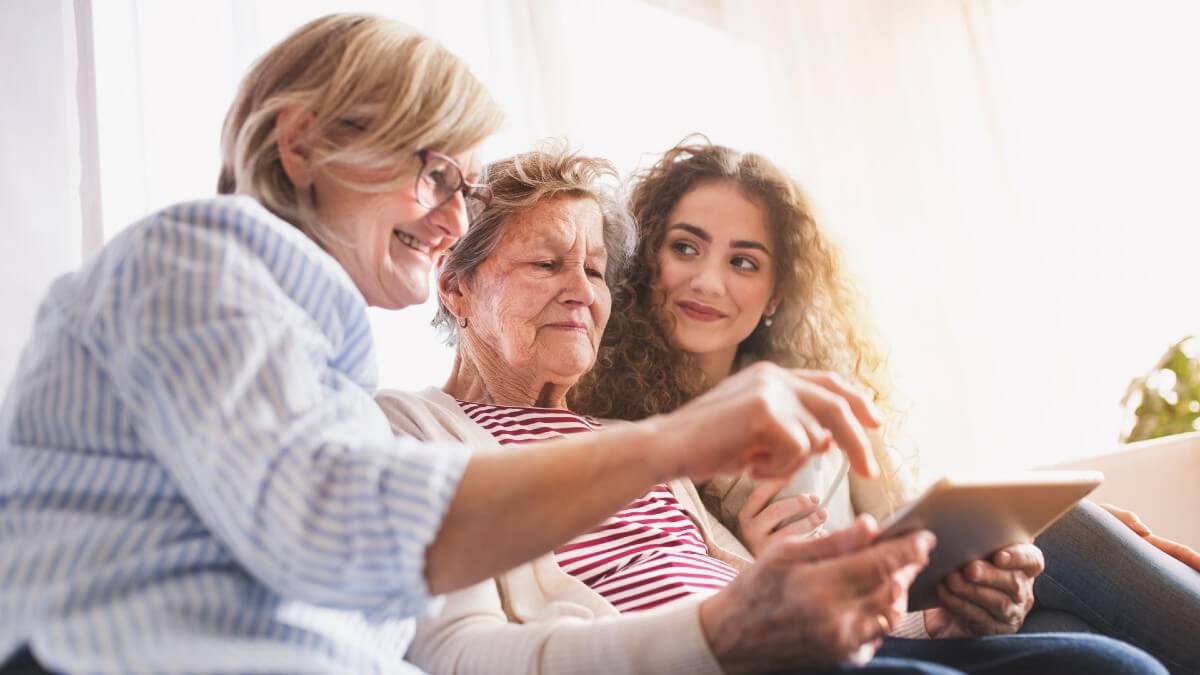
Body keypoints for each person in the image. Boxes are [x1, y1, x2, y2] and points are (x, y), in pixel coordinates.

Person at [0, 19, 878, 674]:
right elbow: (334, 524)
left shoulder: (325, 376)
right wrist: (675, 441)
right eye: (433, 172)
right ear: (301, 143)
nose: (453, 216)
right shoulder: (193, 258)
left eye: (464, 186)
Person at [377, 146, 1164, 674]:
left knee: (1107, 658)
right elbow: (459, 647)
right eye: (548, 263)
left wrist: (938, 621)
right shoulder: (409, 428)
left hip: (793, 647)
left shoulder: (624, 438)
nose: (583, 293)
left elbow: (756, 584)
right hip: (720, 657)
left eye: (594, 269)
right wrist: (725, 631)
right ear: (455, 285)